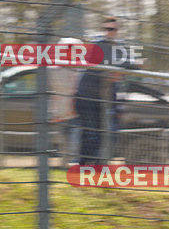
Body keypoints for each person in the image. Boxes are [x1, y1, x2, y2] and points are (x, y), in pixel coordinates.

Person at [74, 17, 119, 164]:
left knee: (102, 134)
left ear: (117, 31)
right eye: (106, 29)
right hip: (88, 97)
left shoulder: (116, 48)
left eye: (112, 29)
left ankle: (94, 167)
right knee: (91, 134)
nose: (109, 32)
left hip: (101, 99)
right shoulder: (100, 45)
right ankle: (83, 166)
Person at [49, 37, 83, 165]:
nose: (71, 53)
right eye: (67, 49)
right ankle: (64, 167)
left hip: (76, 113)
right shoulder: (55, 69)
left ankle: (72, 167)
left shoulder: (80, 69)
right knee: (63, 144)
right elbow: (62, 87)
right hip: (60, 113)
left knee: (75, 144)